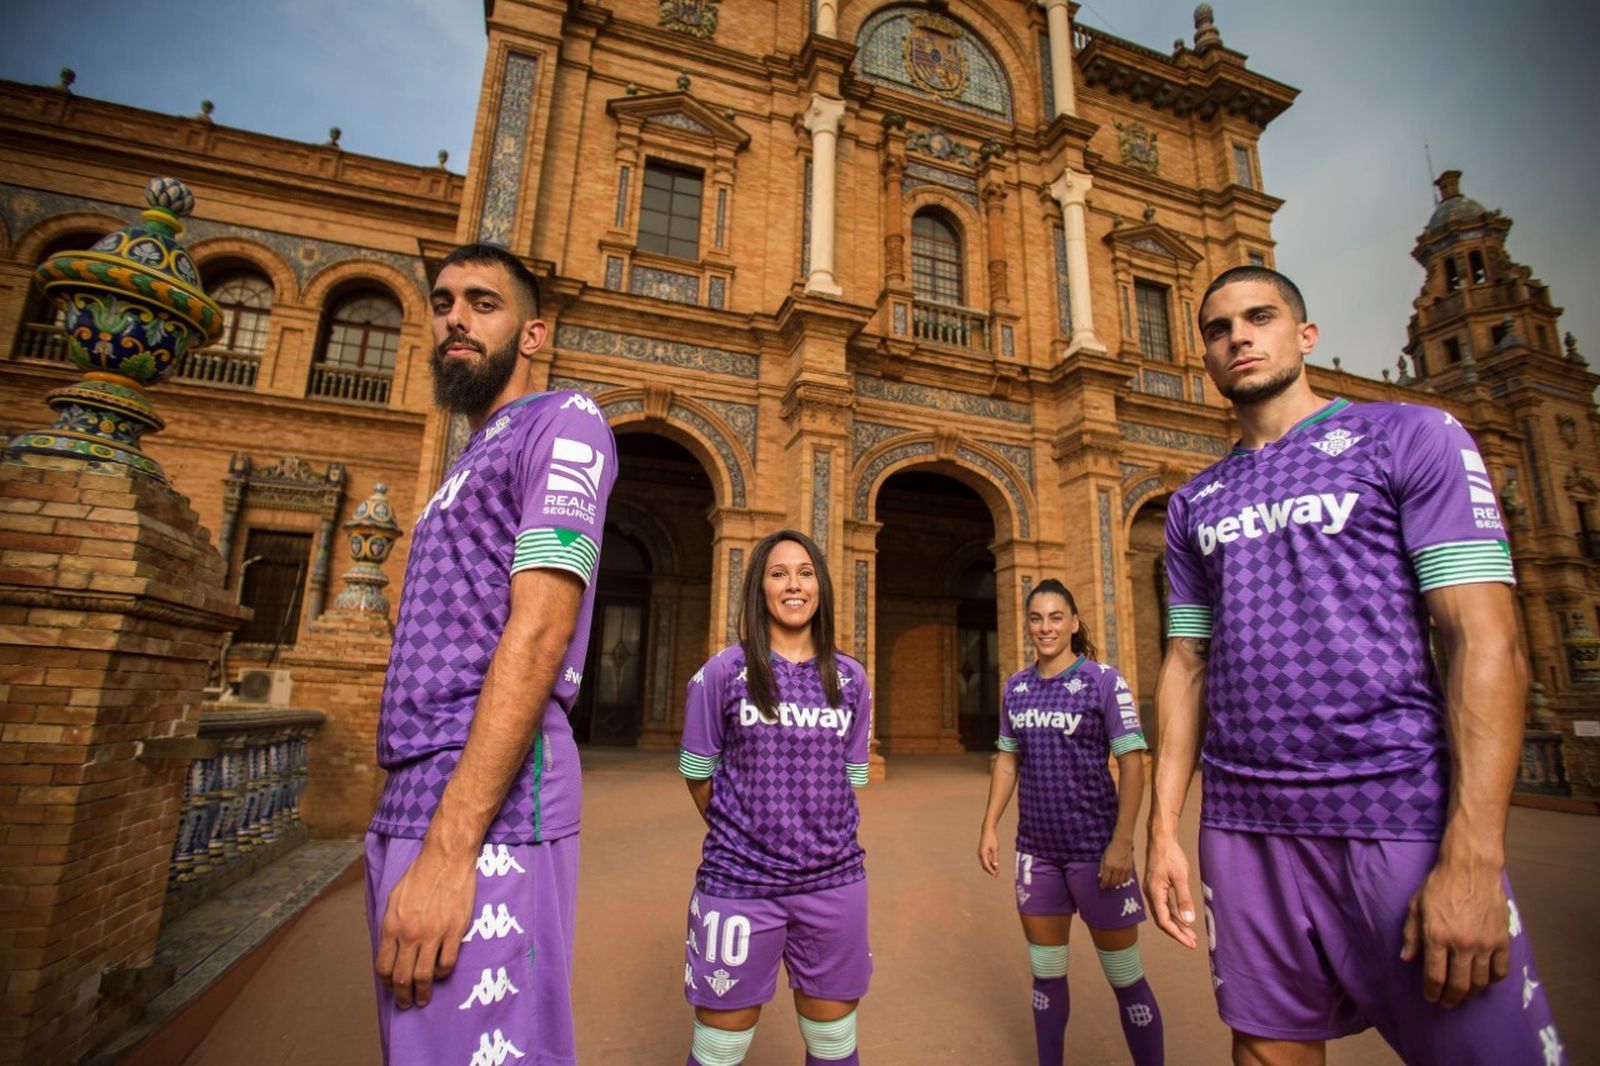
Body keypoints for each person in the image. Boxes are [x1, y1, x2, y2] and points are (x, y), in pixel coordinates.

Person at [1144, 265, 1564, 1065]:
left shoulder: (1410, 436)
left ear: (1305, 336)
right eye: (1217, 327)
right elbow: (1186, 661)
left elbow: (1485, 639)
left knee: (1489, 1051)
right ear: (1205, 356)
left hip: (1395, 809)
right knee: (1268, 1053)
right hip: (1244, 826)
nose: (1237, 335)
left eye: (1259, 317)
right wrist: (1164, 829)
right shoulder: (1196, 501)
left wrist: (1474, 855)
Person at [364, 242, 616, 1065]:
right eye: (442, 304)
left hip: (489, 810)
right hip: (415, 795)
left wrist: (450, 848)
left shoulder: (563, 422)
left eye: (482, 302)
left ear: (534, 334)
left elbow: (541, 631)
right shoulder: (463, 459)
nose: (455, 320)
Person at [677, 529, 874, 1066]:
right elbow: (698, 773)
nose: (794, 585)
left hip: (833, 883)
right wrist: (747, 832)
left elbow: (851, 778)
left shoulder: (851, 679)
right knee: (720, 1049)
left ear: (821, 588)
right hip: (739, 884)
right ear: (760, 588)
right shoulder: (722, 673)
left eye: (806, 573)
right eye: (779, 573)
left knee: (833, 1043)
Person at [978, 579, 1164, 1066]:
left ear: (1074, 623)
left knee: (1126, 977)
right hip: (1036, 852)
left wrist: (1122, 843)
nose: (1045, 627)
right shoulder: (1016, 688)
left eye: (1055, 617)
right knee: (1046, 973)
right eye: (1036, 618)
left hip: (1096, 853)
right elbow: (1007, 760)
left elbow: (1133, 762)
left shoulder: (1104, 681)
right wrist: (989, 826)